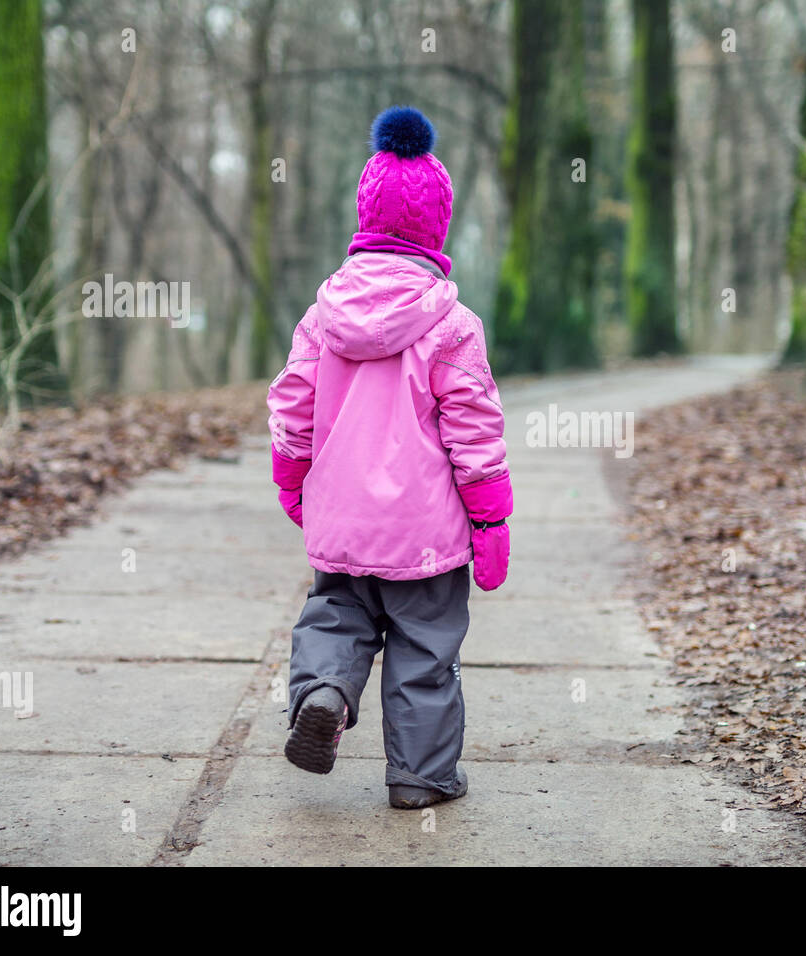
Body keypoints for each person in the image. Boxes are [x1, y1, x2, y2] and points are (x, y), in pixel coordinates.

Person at [265, 106, 512, 809]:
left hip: (342, 520)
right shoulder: (454, 325)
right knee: (425, 651)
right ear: (438, 227)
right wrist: (491, 523)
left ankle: (324, 694)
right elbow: (475, 435)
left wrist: (293, 481)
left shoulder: (322, 316)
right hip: (426, 534)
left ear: (364, 219)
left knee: (336, 617)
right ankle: (420, 779)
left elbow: (291, 410)